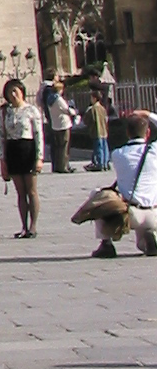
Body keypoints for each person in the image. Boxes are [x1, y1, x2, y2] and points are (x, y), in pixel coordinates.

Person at [72, 110, 157, 257]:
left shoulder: (118, 154)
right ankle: (150, 236)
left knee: (98, 195)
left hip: (130, 214)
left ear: (127, 133)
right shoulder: (154, 151)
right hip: (153, 212)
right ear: (148, 132)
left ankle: (106, 244)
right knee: (141, 245)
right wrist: (147, 114)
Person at [0, 77, 44, 238]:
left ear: (22, 92)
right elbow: (1, 136)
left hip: (28, 149)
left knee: (31, 190)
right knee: (20, 192)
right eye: (9, 92)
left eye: (15, 91)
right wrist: (2, 160)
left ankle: (33, 225)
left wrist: (39, 157)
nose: (13, 95)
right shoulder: (5, 112)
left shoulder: (31, 110)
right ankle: (23, 225)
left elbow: (39, 135)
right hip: (13, 150)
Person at [44, 81, 77, 174]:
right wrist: (74, 112)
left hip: (55, 124)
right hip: (63, 124)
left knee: (58, 147)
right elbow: (66, 110)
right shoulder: (58, 99)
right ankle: (63, 166)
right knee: (64, 147)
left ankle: (57, 165)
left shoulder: (49, 99)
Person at [87, 88, 113, 173]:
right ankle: (105, 163)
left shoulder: (92, 109)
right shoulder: (103, 108)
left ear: (94, 98)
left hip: (96, 131)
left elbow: (89, 120)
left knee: (98, 148)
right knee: (105, 147)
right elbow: (106, 119)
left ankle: (100, 163)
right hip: (104, 131)